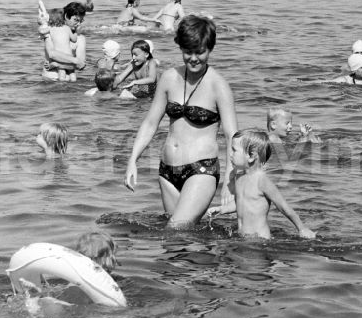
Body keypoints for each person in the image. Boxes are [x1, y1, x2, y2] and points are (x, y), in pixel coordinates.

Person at [124, 15, 238, 227]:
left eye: (200, 52)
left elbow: (233, 136)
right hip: (167, 172)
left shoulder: (218, 86)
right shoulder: (169, 77)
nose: (193, 58)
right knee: (178, 249)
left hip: (201, 170)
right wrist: (133, 160)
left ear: (210, 49)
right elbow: (150, 123)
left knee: (174, 230)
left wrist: (230, 182)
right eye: (188, 52)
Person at [206, 129, 316, 239]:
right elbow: (240, 202)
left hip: (259, 239)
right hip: (242, 237)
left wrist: (301, 228)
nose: (230, 154)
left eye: (234, 150)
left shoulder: (262, 181)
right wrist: (223, 209)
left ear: (251, 156)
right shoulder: (239, 178)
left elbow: (283, 207)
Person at [38, 0, 87, 81]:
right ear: (66, 16)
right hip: (49, 79)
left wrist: (56, 65)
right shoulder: (52, 31)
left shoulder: (80, 38)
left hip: (69, 82)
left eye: (81, 21)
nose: (79, 24)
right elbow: (52, 54)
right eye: (76, 20)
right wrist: (75, 60)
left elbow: (80, 66)